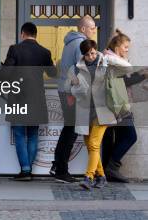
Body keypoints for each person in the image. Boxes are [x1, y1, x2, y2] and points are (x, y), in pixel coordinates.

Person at [3, 22, 57, 181]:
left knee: (19, 134)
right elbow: (52, 73)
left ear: (22, 34)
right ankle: (29, 169)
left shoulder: (15, 49)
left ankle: (25, 170)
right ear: (35, 34)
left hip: (18, 99)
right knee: (33, 135)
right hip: (37, 99)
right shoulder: (44, 52)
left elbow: (6, 73)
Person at [52, 16, 97, 183]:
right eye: (92, 28)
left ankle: (58, 166)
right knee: (71, 131)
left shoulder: (70, 42)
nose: (94, 30)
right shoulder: (80, 44)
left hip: (66, 91)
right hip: (72, 93)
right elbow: (82, 71)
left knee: (69, 129)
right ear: (83, 29)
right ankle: (61, 170)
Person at [66, 40, 115, 190]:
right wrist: (77, 87)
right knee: (90, 146)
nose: (91, 56)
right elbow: (70, 90)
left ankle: (88, 177)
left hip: (103, 111)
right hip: (85, 111)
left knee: (94, 144)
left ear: (96, 50)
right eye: (87, 54)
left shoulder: (105, 63)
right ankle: (101, 176)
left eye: (93, 52)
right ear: (83, 55)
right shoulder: (76, 69)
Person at [101, 30, 147, 182]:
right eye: (125, 47)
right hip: (118, 106)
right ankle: (111, 168)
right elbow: (122, 82)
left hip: (115, 105)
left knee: (114, 138)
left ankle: (108, 170)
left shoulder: (113, 59)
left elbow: (122, 81)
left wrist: (140, 74)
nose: (127, 50)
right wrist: (142, 75)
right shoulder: (113, 60)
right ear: (117, 46)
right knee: (130, 136)